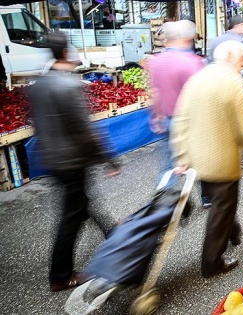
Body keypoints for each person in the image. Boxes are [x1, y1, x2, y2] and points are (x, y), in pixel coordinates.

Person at [27, 31, 119, 292]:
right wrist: (109, 159)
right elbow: (85, 131)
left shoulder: (38, 84)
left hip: (52, 158)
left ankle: (114, 234)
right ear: (66, 52)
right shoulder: (68, 85)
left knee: (82, 203)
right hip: (71, 160)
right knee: (71, 215)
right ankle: (61, 275)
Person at [170, 40, 243, 278]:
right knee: (222, 208)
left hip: (197, 159)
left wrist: (181, 155)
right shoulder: (235, 83)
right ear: (230, 56)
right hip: (223, 160)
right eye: (242, 58)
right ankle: (212, 263)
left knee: (221, 202)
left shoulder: (197, 78)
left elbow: (180, 119)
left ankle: (235, 233)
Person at [146, 20, 208, 205]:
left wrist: (156, 115)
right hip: (190, 122)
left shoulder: (156, 61)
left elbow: (155, 93)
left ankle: (164, 205)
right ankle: (206, 197)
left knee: (168, 164)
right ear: (189, 37)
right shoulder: (193, 62)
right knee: (200, 159)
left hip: (167, 118)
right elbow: (201, 96)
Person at [207, 15, 243, 83]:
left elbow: (209, 63)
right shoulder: (242, 42)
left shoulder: (215, 41)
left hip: (217, 83)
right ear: (239, 25)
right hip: (237, 84)